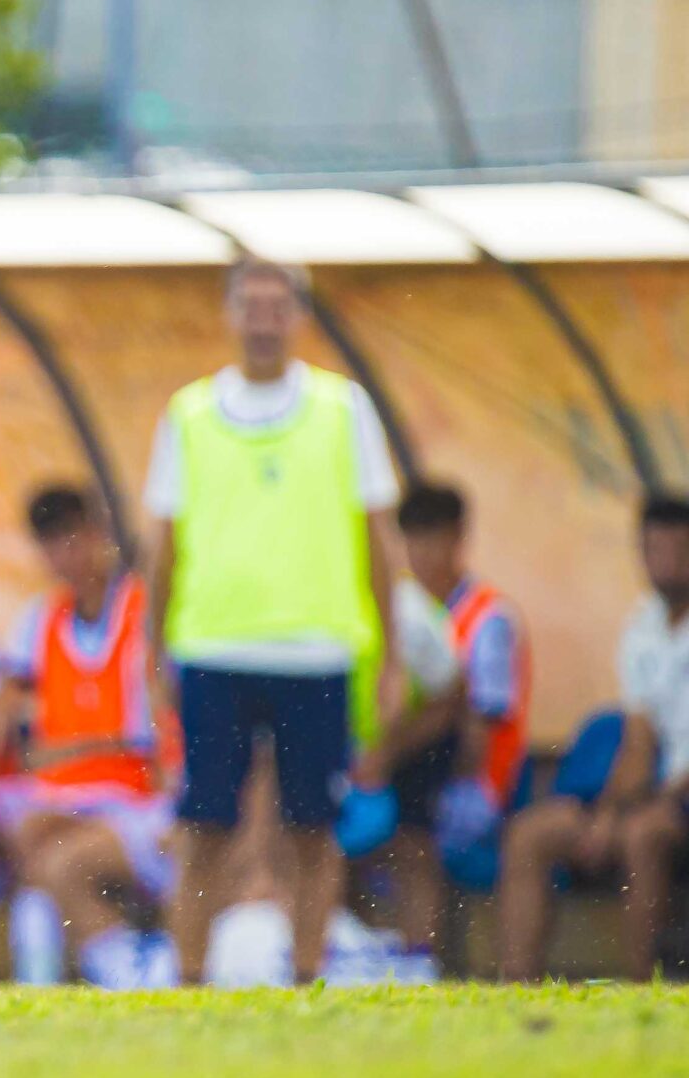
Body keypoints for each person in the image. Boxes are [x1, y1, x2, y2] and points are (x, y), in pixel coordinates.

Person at [142, 257, 404, 985]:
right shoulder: (189, 414)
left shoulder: (343, 409)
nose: (263, 320)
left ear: (299, 316)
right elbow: (160, 546)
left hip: (316, 652)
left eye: (277, 305)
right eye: (250, 305)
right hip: (214, 648)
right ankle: (186, 979)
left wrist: (391, 655)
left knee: (314, 827)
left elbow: (379, 538)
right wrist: (149, 650)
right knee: (204, 822)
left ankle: (308, 973)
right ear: (228, 313)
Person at [0, 485, 177, 989]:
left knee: (55, 863)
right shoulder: (37, 621)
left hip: (141, 799)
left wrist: (77, 749)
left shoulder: (146, 612)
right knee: (23, 845)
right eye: (51, 544)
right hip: (68, 798)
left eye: (73, 537)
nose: (65, 556)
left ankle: (131, 973)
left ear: (100, 535)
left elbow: (156, 731)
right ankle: (63, 971)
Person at [497, 491, 689, 981]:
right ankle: (518, 985)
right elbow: (639, 737)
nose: (662, 562)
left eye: (675, 548)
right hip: (653, 794)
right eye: (652, 549)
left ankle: (638, 988)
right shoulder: (643, 625)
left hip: (674, 797)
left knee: (643, 836)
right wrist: (606, 812)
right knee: (529, 834)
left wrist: (640, 808)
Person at [340, 481, 522, 981]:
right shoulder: (389, 605)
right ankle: (350, 953)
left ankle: (420, 960)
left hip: (470, 779)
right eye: (412, 541)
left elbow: (473, 721)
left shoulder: (486, 618)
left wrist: (389, 756)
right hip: (398, 765)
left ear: (458, 538)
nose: (421, 554)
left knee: (412, 836)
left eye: (432, 539)